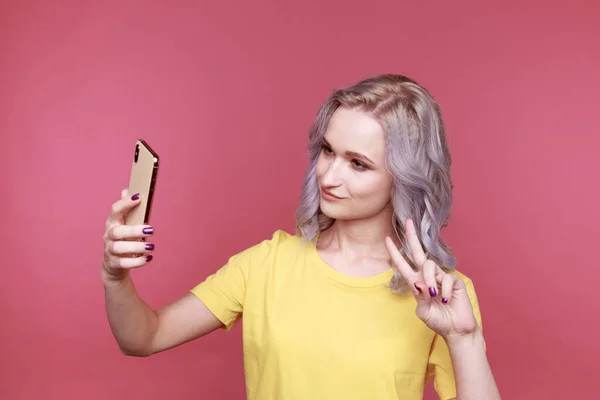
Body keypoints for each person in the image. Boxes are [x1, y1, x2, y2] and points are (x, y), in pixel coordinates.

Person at [101, 74, 501, 400]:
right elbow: (143, 337)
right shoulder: (265, 264)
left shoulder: (442, 295)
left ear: (405, 178)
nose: (329, 176)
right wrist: (114, 277)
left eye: (358, 164)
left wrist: (464, 339)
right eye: (328, 151)